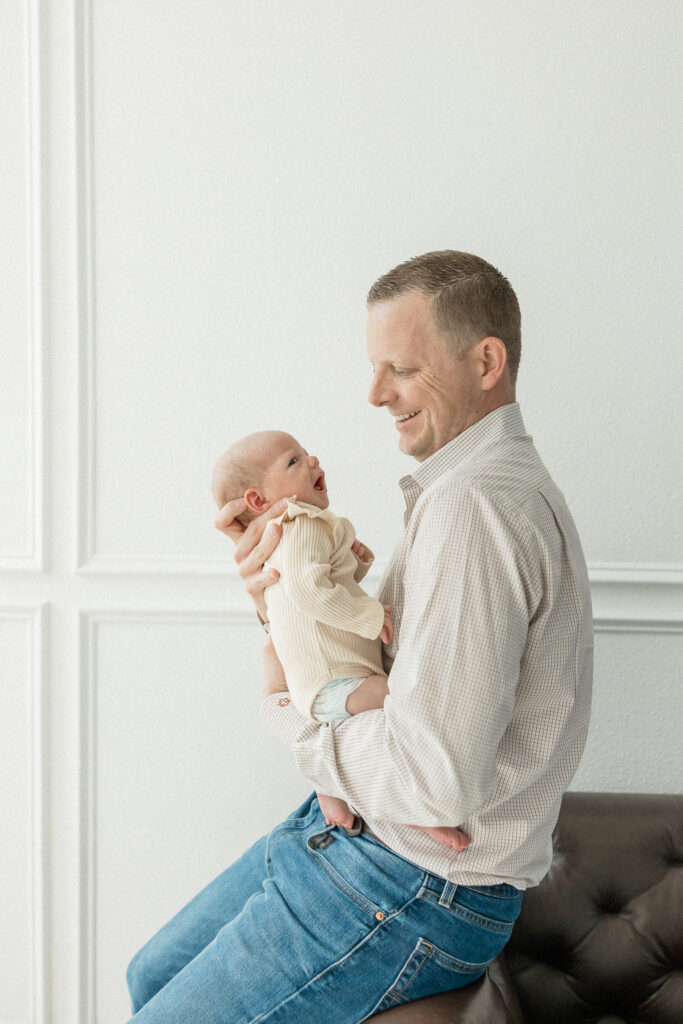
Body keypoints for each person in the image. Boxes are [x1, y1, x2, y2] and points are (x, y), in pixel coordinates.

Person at [125, 250, 593, 1023]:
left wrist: (286, 711)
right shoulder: (466, 493)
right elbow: (400, 683)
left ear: (485, 361)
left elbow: (431, 784)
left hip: (410, 885)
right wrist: (277, 606)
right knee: (150, 974)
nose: (374, 395)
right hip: (367, 841)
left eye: (399, 369)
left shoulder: (472, 509)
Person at [210, 428, 470, 849]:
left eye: (308, 454)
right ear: (258, 500)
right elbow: (311, 592)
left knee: (361, 726)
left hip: (316, 691)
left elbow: (320, 588)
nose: (312, 462)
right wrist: (370, 617)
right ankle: (411, 812)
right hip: (335, 684)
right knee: (403, 701)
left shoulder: (286, 536)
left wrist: (352, 557)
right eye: (294, 462)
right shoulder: (300, 523)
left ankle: (331, 797)